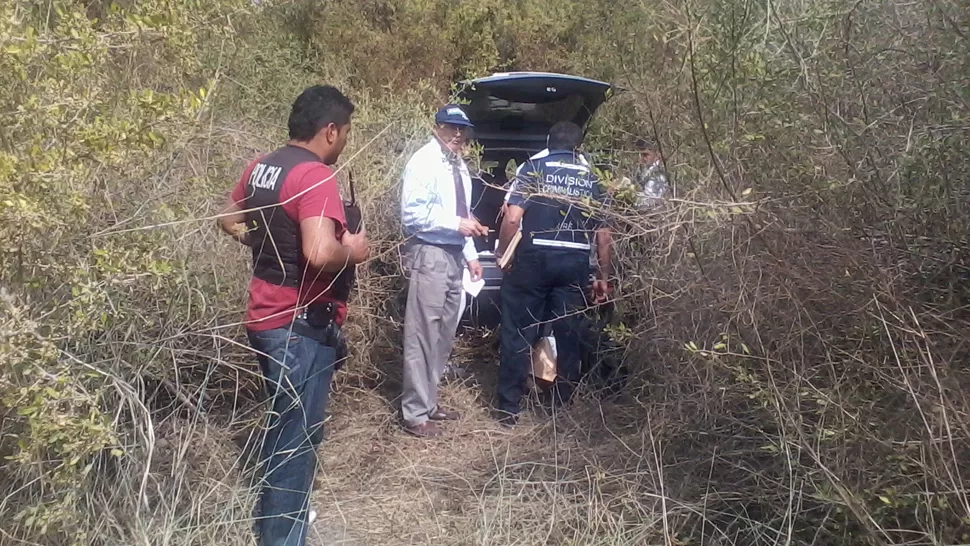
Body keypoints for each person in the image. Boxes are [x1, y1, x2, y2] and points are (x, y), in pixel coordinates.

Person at [217, 85, 369, 546]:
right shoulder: (315, 176)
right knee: (296, 440)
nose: (344, 142)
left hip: (265, 316)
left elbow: (227, 218)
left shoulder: (262, 166)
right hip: (298, 325)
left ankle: (280, 519)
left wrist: (261, 242)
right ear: (330, 130)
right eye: (346, 133)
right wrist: (354, 250)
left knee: (285, 425)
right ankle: (282, 536)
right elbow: (320, 252)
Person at [494, 121, 613, 426]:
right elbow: (603, 235)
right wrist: (603, 276)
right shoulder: (592, 177)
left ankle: (508, 409)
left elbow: (512, 218)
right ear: (578, 147)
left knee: (518, 331)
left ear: (548, 142)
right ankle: (561, 409)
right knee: (568, 334)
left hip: (533, 258)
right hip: (574, 262)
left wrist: (503, 253)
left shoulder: (533, 168)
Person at [399, 104, 489, 437]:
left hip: (454, 255)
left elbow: (461, 214)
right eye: (451, 128)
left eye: (462, 130)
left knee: (444, 334)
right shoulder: (423, 161)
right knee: (422, 333)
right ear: (437, 127)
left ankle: (429, 402)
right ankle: (414, 413)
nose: (458, 134)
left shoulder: (458, 165)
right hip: (430, 253)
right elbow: (412, 215)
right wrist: (456, 224)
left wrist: (471, 255)